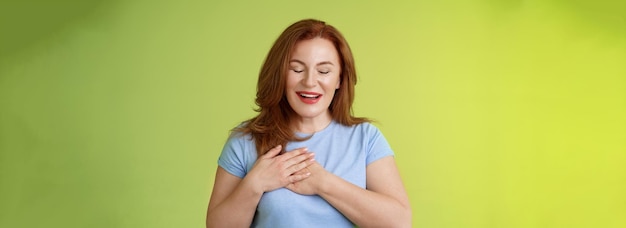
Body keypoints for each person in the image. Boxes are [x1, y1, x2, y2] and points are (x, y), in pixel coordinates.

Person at [206, 19, 411, 228]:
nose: (310, 82)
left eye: (323, 71)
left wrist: (322, 183)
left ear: (340, 79)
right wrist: (254, 184)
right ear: (280, 75)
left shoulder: (366, 138)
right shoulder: (245, 140)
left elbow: (400, 223)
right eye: (296, 69)